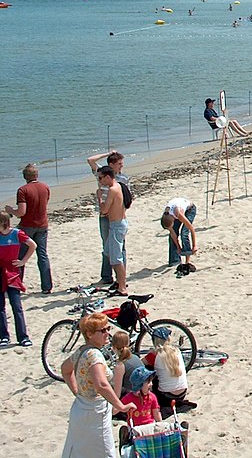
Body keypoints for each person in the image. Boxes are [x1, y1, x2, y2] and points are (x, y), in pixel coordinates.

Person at [60, 313, 137, 457]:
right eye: (102, 331)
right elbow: (101, 384)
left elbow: (65, 370)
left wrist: (77, 391)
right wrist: (121, 406)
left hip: (80, 406)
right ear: (89, 334)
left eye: (107, 328)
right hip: (96, 411)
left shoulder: (81, 350)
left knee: (78, 450)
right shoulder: (95, 355)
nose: (107, 333)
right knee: (105, 452)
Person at [87, 151, 131, 287]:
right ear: (111, 164)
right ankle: (107, 276)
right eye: (119, 164)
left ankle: (121, 279)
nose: (121, 167)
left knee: (119, 248)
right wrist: (108, 153)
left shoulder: (122, 179)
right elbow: (90, 160)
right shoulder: (103, 174)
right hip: (105, 217)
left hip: (115, 216)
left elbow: (128, 198)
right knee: (107, 248)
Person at [6, 162, 52, 293]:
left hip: (27, 225)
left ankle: (17, 284)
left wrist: (10, 210)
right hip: (42, 224)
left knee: (20, 256)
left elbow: (21, 212)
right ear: (36, 175)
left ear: (25, 177)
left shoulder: (23, 190)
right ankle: (47, 286)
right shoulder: (45, 187)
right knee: (42, 255)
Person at [0, 211, 36, 346]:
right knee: (0, 306)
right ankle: (4, 336)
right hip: (0, 271)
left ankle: (23, 337)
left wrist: (23, 261)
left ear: (3, 223)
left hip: (13, 272)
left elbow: (33, 245)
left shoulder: (16, 233)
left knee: (16, 306)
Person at [96, 166, 130, 296]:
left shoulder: (113, 189)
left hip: (117, 225)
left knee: (116, 258)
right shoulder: (118, 186)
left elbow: (104, 211)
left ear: (108, 177)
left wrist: (100, 198)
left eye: (101, 178)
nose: (100, 181)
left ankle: (122, 286)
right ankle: (120, 282)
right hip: (117, 224)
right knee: (108, 252)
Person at [150, 326, 194, 411]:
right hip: (182, 393)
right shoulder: (177, 351)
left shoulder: (155, 355)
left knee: (149, 371)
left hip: (166, 397)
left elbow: (141, 364)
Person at [161, 197, 198, 271]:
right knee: (172, 236)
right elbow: (173, 234)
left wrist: (194, 246)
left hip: (190, 210)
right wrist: (178, 247)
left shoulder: (178, 213)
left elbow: (191, 229)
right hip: (176, 211)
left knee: (184, 233)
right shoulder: (166, 215)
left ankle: (187, 261)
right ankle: (175, 260)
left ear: (173, 220)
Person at [110, 330, 143, 398]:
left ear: (113, 347)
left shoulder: (120, 366)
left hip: (133, 398)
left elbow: (117, 394)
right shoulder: (136, 357)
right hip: (144, 394)